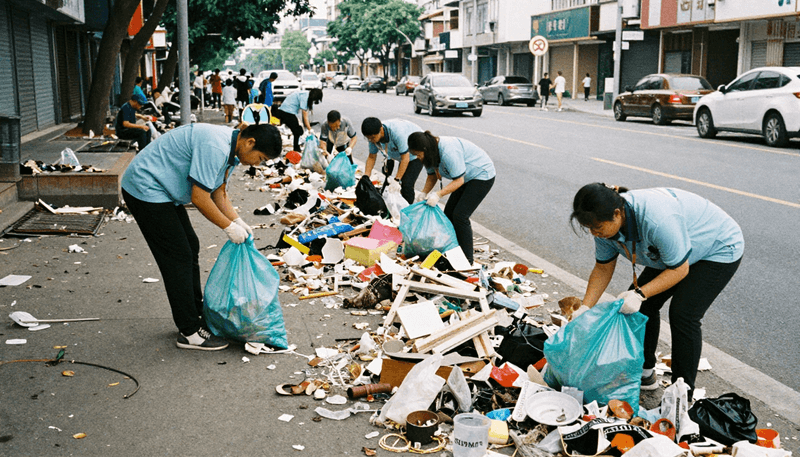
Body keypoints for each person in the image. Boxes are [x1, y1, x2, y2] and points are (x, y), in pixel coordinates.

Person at [121, 122, 283, 351]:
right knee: (178, 255)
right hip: (145, 187)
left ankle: (196, 314)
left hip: (163, 190)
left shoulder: (232, 151)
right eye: (261, 158)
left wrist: (238, 221)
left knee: (190, 246)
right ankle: (188, 332)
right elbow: (200, 198)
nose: (259, 164)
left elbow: (219, 192)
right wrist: (228, 227)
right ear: (250, 143)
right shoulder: (216, 146)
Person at [570, 183, 744, 394]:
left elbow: (679, 269)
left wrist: (640, 293)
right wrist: (585, 307)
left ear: (616, 214)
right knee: (639, 307)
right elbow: (602, 268)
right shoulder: (606, 229)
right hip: (673, 252)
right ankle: (645, 372)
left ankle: (681, 392)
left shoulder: (657, 220)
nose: (594, 233)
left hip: (716, 248)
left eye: (597, 228)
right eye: (589, 229)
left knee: (683, 313)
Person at [407, 131, 495, 265]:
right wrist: (424, 193)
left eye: (418, 154)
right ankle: (453, 251)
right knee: (448, 214)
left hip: (481, 175)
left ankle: (467, 260)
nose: (418, 158)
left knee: (460, 216)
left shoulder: (448, 151)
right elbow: (432, 176)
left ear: (425, 149)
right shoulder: (430, 153)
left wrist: (438, 194)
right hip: (465, 177)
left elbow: (458, 181)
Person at [360, 117, 423, 204]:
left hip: (415, 153)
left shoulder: (397, 133)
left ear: (381, 129)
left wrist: (397, 180)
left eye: (373, 138)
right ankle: (389, 208)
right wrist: (366, 176)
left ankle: (406, 211)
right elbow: (371, 157)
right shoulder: (373, 136)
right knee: (387, 181)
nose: (371, 141)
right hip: (393, 152)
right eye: (369, 138)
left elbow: (405, 158)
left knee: (406, 184)